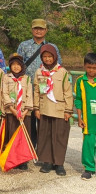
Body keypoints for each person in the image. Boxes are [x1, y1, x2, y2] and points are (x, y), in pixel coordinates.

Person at [17, 18, 62, 148]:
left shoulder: (52, 47)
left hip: (46, 90)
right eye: (36, 28)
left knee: (43, 119)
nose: (38, 31)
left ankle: (43, 150)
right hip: (27, 88)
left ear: (46, 30)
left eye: (41, 28)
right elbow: (17, 65)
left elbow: (59, 66)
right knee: (29, 120)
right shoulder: (23, 45)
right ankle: (29, 147)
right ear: (32, 29)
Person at [33, 44, 73, 176]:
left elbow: (68, 92)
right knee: (45, 136)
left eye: (50, 56)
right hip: (44, 109)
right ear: (41, 58)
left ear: (55, 56)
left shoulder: (62, 72)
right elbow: (37, 91)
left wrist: (68, 110)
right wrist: (36, 108)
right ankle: (47, 161)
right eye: (45, 56)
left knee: (59, 136)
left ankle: (59, 163)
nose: (47, 59)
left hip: (59, 110)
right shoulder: (39, 72)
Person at [2, 53, 33, 170]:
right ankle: (13, 158)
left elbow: (29, 94)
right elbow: (4, 93)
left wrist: (25, 111)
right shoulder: (7, 78)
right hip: (12, 112)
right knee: (12, 136)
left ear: (22, 66)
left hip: (24, 113)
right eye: (13, 65)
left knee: (23, 136)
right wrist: (12, 109)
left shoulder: (27, 78)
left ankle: (23, 160)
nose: (15, 67)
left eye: (18, 64)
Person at [75, 53, 96, 180]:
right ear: (84, 66)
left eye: (94, 68)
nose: (91, 70)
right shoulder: (80, 81)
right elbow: (78, 100)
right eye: (89, 67)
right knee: (88, 143)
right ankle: (89, 168)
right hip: (88, 119)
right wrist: (79, 117)